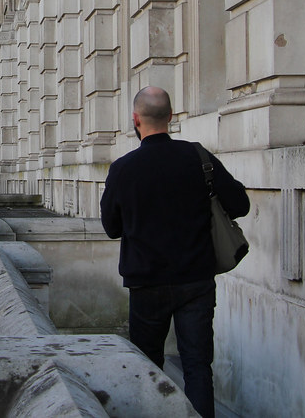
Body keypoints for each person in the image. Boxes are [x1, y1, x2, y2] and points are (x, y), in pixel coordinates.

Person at [100, 86, 249, 418]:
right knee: (197, 366)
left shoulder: (123, 168)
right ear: (170, 116)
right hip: (196, 278)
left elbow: (111, 227)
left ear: (135, 119)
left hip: (146, 281)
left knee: (146, 366)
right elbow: (240, 205)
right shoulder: (198, 157)